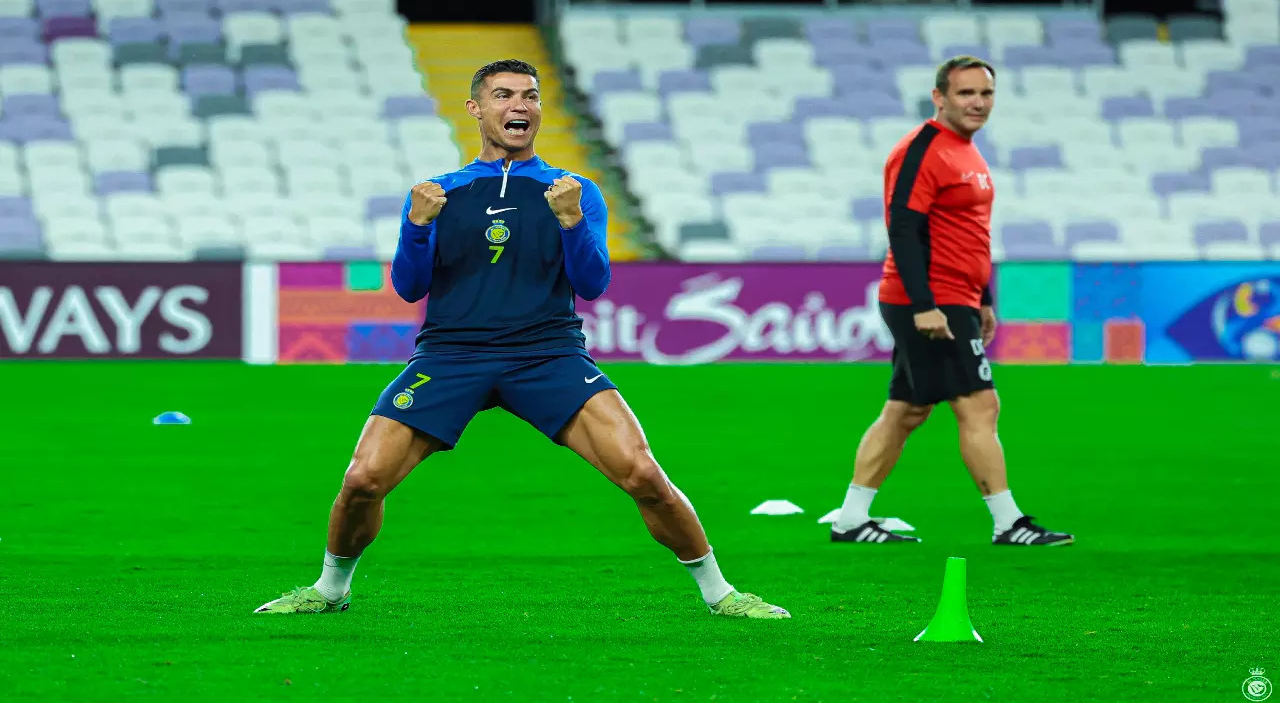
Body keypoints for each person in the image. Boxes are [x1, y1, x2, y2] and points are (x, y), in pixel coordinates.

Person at [255, 59, 790, 618]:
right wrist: (416, 226)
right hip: (451, 355)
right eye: (504, 95)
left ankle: (721, 594)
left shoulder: (574, 191)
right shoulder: (437, 194)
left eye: (530, 96)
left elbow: (593, 284)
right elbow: (410, 288)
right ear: (476, 109)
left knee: (641, 472)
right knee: (363, 479)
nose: (520, 106)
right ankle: (330, 590)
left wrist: (570, 221)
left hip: (548, 354)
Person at [829, 56, 1073, 547]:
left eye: (986, 94)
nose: (977, 103)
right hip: (930, 300)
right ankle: (1009, 523)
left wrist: (981, 297)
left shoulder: (966, 151)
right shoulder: (923, 150)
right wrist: (924, 304)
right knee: (980, 405)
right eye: (966, 93)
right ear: (939, 97)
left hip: (953, 298)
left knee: (906, 410)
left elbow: (965, 234)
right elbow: (903, 226)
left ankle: (851, 519)